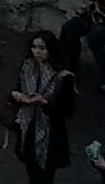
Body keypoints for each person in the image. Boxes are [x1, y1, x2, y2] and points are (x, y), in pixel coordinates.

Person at [6, 29, 77, 184]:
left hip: (51, 131)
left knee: (45, 175)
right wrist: (17, 96)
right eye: (34, 47)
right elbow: (18, 88)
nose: (37, 52)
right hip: (27, 125)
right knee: (31, 168)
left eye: (42, 48)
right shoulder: (27, 67)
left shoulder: (63, 76)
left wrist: (45, 103)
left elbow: (68, 109)